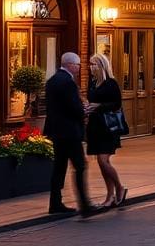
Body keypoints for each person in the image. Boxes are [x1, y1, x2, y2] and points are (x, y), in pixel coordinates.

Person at [45, 52, 100, 217]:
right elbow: (73, 108)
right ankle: (84, 204)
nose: (78, 68)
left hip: (56, 132)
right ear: (70, 64)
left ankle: (54, 203)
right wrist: (84, 112)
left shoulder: (52, 81)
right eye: (77, 65)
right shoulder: (68, 83)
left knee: (59, 167)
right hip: (70, 132)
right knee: (80, 166)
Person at [86, 53, 127, 209]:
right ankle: (110, 195)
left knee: (103, 160)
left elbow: (116, 105)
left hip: (108, 128)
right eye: (90, 64)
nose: (91, 67)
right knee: (102, 163)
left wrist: (99, 106)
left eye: (94, 64)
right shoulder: (92, 82)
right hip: (95, 126)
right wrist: (88, 107)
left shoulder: (111, 83)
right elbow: (92, 101)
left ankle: (119, 187)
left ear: (102, 66)